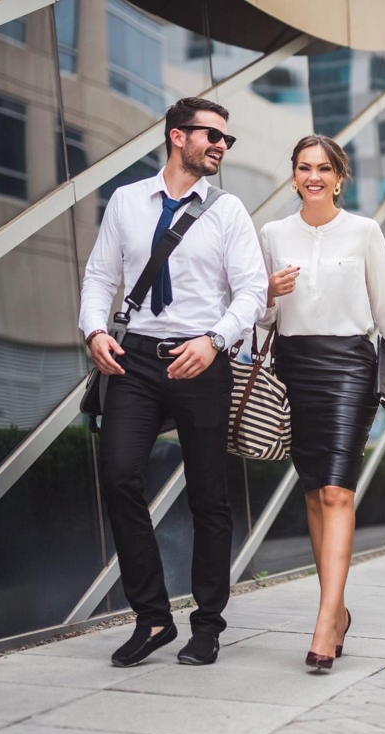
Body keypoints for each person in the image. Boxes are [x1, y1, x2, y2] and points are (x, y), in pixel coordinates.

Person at [79, 97, 267, 668]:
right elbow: (99, 275)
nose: (220, 146)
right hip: (134, 360)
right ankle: (153, 617)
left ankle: (207, 623)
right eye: (211, 135)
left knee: (210, 496)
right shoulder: (128, 202)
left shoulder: (228, 211)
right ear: (176, 136)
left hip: (202, 359)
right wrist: (93, 330)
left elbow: (253, 291)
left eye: (225, 140)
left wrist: (214, 342)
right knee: (119, 477)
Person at [259, 135, 385, 670]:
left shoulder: (364, 232)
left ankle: (325, 621)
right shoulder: (274, 234)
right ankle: (338, 610)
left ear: (339, 177)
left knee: (336, 492)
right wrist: (268, 292)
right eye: (304, 167)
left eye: (324, 168)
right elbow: (261, 318)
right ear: (294, 175)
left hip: (351, 365)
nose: (314, 176)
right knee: (312, 494)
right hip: (296, 367)